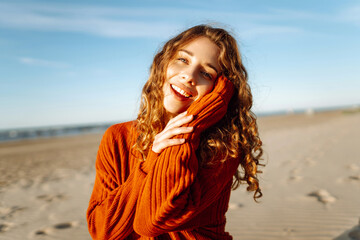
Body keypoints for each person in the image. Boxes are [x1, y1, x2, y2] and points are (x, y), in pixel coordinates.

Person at [87, 24, 264, 240]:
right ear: (164, 62)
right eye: (183, 60)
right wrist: (151, 161)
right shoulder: (118, 137)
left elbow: (151, 221)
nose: (189, 76)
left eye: (206, 73)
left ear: (220, 89)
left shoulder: (223, 147)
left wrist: (188, 130)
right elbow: (102, 231)